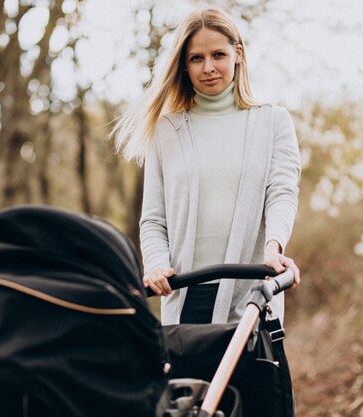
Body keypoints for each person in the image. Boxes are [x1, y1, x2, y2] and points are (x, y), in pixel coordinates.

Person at [113, 8, 301, 326]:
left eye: (218, 54)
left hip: (252, 293)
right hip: (186, 295)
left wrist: (274, 247)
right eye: (196, 58)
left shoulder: (272, 122)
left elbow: (282, 193)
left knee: (248, 377)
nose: (209, 67)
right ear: (184, 66)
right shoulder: (166, 131)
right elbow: (154, 220)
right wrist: (156, 265)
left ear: (238, 53)